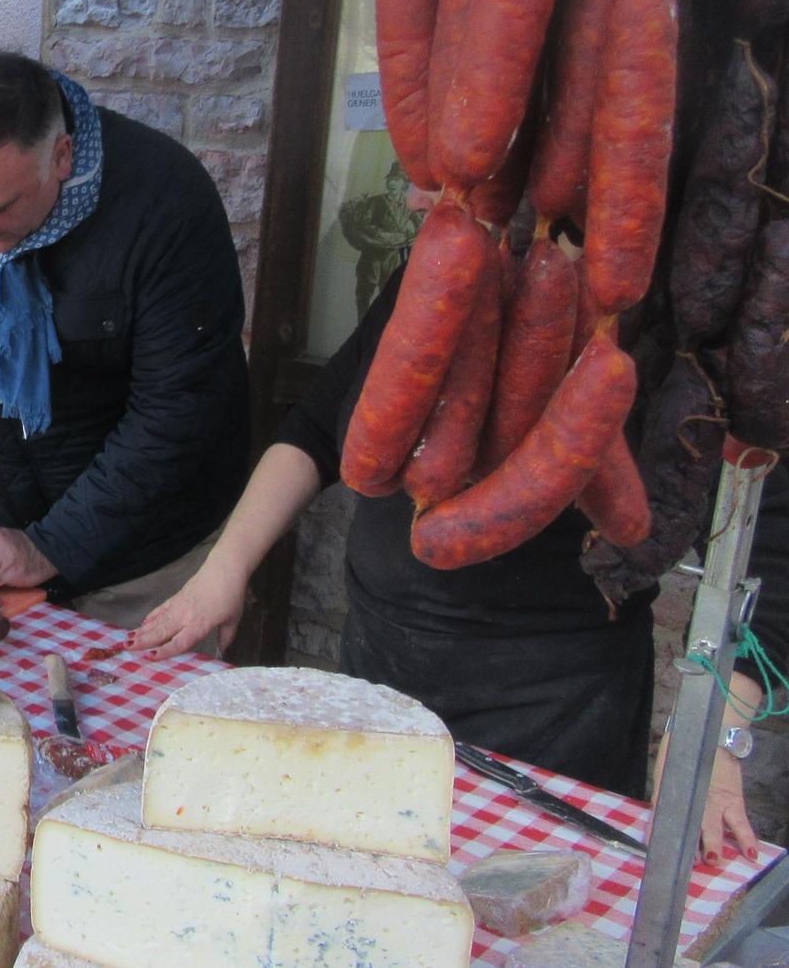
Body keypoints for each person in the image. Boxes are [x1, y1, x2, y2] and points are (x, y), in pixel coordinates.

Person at [127, 267, 789, 861]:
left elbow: (774, 552)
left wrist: (717, 729)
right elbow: (317, 428)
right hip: (380, 689)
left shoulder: (674, 328)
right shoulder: (441, 265)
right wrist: (226, 566)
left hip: (555, 723)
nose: (417, 197)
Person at [0, 51, 251, 629]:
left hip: (150, 561)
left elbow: (178, 412)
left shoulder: (167, 201)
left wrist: (50, 547)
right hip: (8, 539)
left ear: (61, 156)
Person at [338, 160, 423, 316]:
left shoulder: (407, 205)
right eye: (391, 179)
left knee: (390, 297)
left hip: (393, 259)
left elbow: (419, 226)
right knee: (364, 295)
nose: (392, 183)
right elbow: (364, 224)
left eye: (397, 180)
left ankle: (383, 331)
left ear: (404, 184)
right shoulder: (375, 201)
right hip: (372, 256)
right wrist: (381, 234)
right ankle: (361, 327)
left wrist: (407, 236)